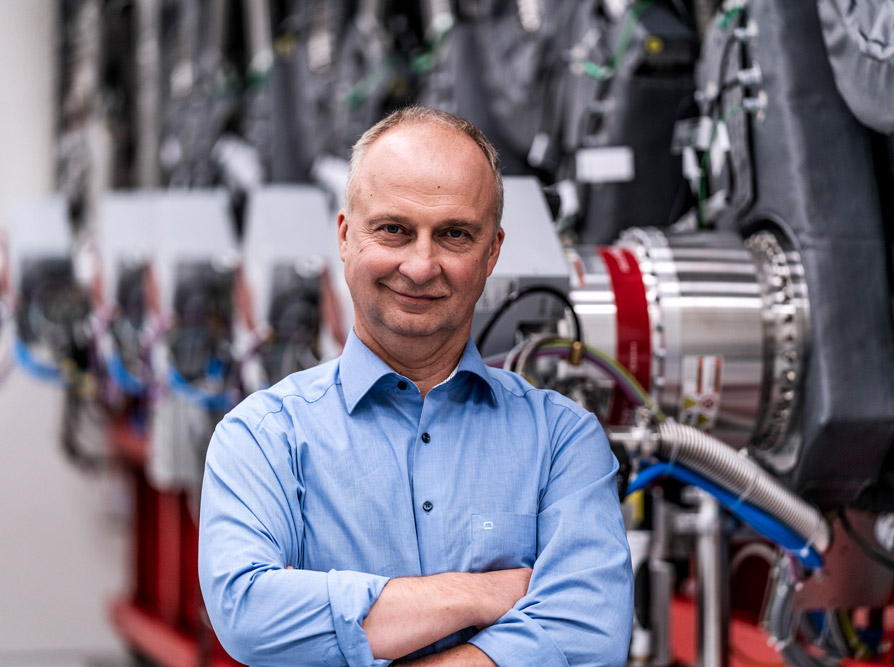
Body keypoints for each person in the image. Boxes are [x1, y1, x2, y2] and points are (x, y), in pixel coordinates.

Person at [199, 106, 633, 667]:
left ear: (492, 252)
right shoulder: (263, 437)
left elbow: (589, 635)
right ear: (345, 236)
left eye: (454, 234)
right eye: (394, 230)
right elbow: (247, 612)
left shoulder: (562, 439)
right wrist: (480, 594)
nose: (421, 265)